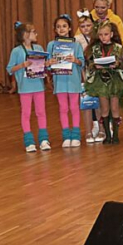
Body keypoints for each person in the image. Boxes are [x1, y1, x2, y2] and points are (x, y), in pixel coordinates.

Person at [85, 21, 123, 144]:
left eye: (106, 34)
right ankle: (107, 135)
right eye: (100, 35)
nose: (103, 37)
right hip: (101, 81)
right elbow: (89, 64)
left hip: (115, 81)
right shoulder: (95, 49)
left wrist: (118, 64)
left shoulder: (118, 48)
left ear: (111, 34)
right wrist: (95, 66)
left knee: (114, 108)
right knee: (104, 109)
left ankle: (116, 135)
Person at [8, 22, 50, 152]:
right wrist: (22, 65)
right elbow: (10, 69)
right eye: (33, 31)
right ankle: (29, 141)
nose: (36, 34)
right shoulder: (16, 51)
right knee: (26, 113)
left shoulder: (38, 48)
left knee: (41, 112)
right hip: (25, 88)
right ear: (25, 34)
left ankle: (43, 139)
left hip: (38, 86)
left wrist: (48, 64)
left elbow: (43, 65)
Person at [47, 14, 85, 148]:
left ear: (69, 28)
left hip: (73, 81)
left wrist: (75, 60)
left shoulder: (76, 44)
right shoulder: (51, 45)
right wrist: (49, 63)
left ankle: (76, 135)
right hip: (60, 82)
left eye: (64, 26)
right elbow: (47, 63)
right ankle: (66, 136)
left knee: (74, 108)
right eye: (58, 27)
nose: (61, 29)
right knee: (63, 108)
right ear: (55, 29)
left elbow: (82, 62)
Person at [75, 11, 101, 143]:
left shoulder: (98, 38)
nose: (86, 28)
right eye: (82, 26)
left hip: (98, 74)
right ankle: (89, 130)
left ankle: (101, 127)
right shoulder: (77, 40)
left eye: (88, 25)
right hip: (84, 74)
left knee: (100, 103)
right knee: (87, 103)